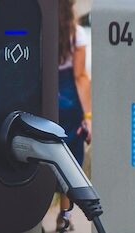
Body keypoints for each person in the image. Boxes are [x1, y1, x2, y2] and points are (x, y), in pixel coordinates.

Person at [57, 3, 93, 165]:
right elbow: (80, 77)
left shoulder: (40, 28)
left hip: (44, 96)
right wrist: (88, 117)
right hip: (69, 100)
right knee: (71, 164)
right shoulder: (76, 33)